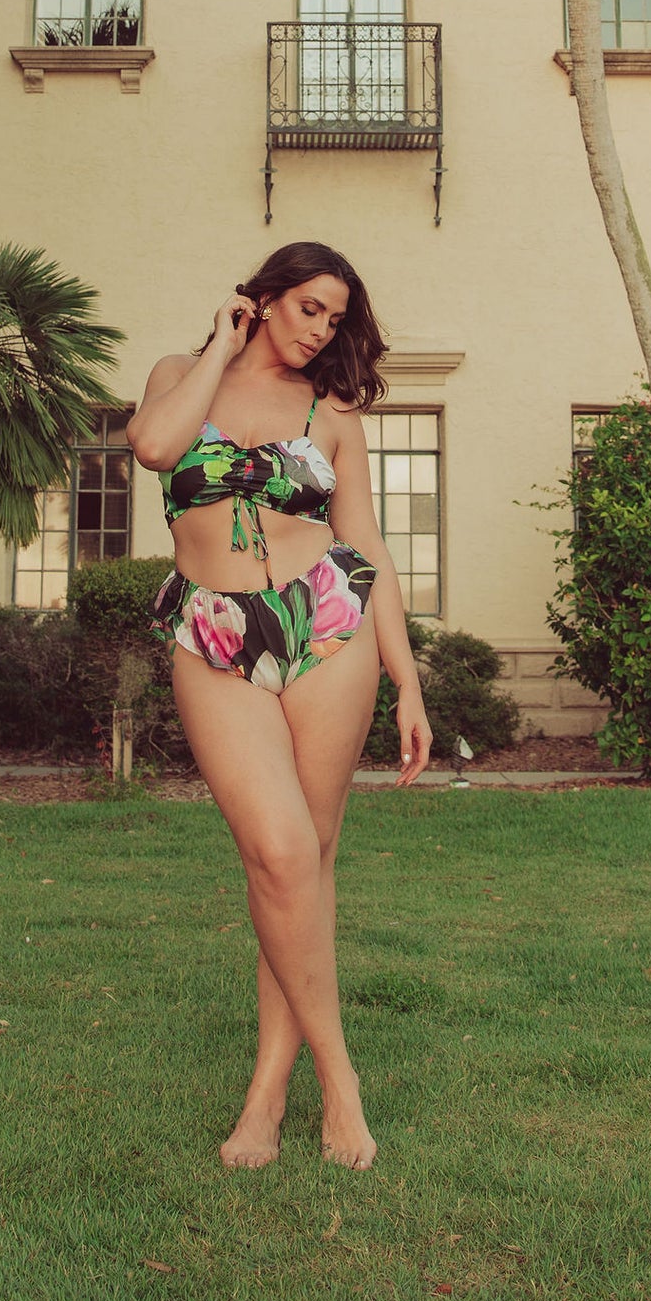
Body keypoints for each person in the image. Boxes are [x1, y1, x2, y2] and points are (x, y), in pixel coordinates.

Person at [128, 240, 432, 1170]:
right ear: (261, 299)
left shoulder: (332, 412)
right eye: (307, 307)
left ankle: (266, 1097)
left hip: (328, 627)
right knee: (281, 850)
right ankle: (341, 1080)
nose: (321, 329)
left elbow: (365, 541)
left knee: (305, 864)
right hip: (214, 633)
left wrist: (407, 677)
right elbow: (152, 448)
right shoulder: (182, 375)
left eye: (335, 317)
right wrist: (221, 345)